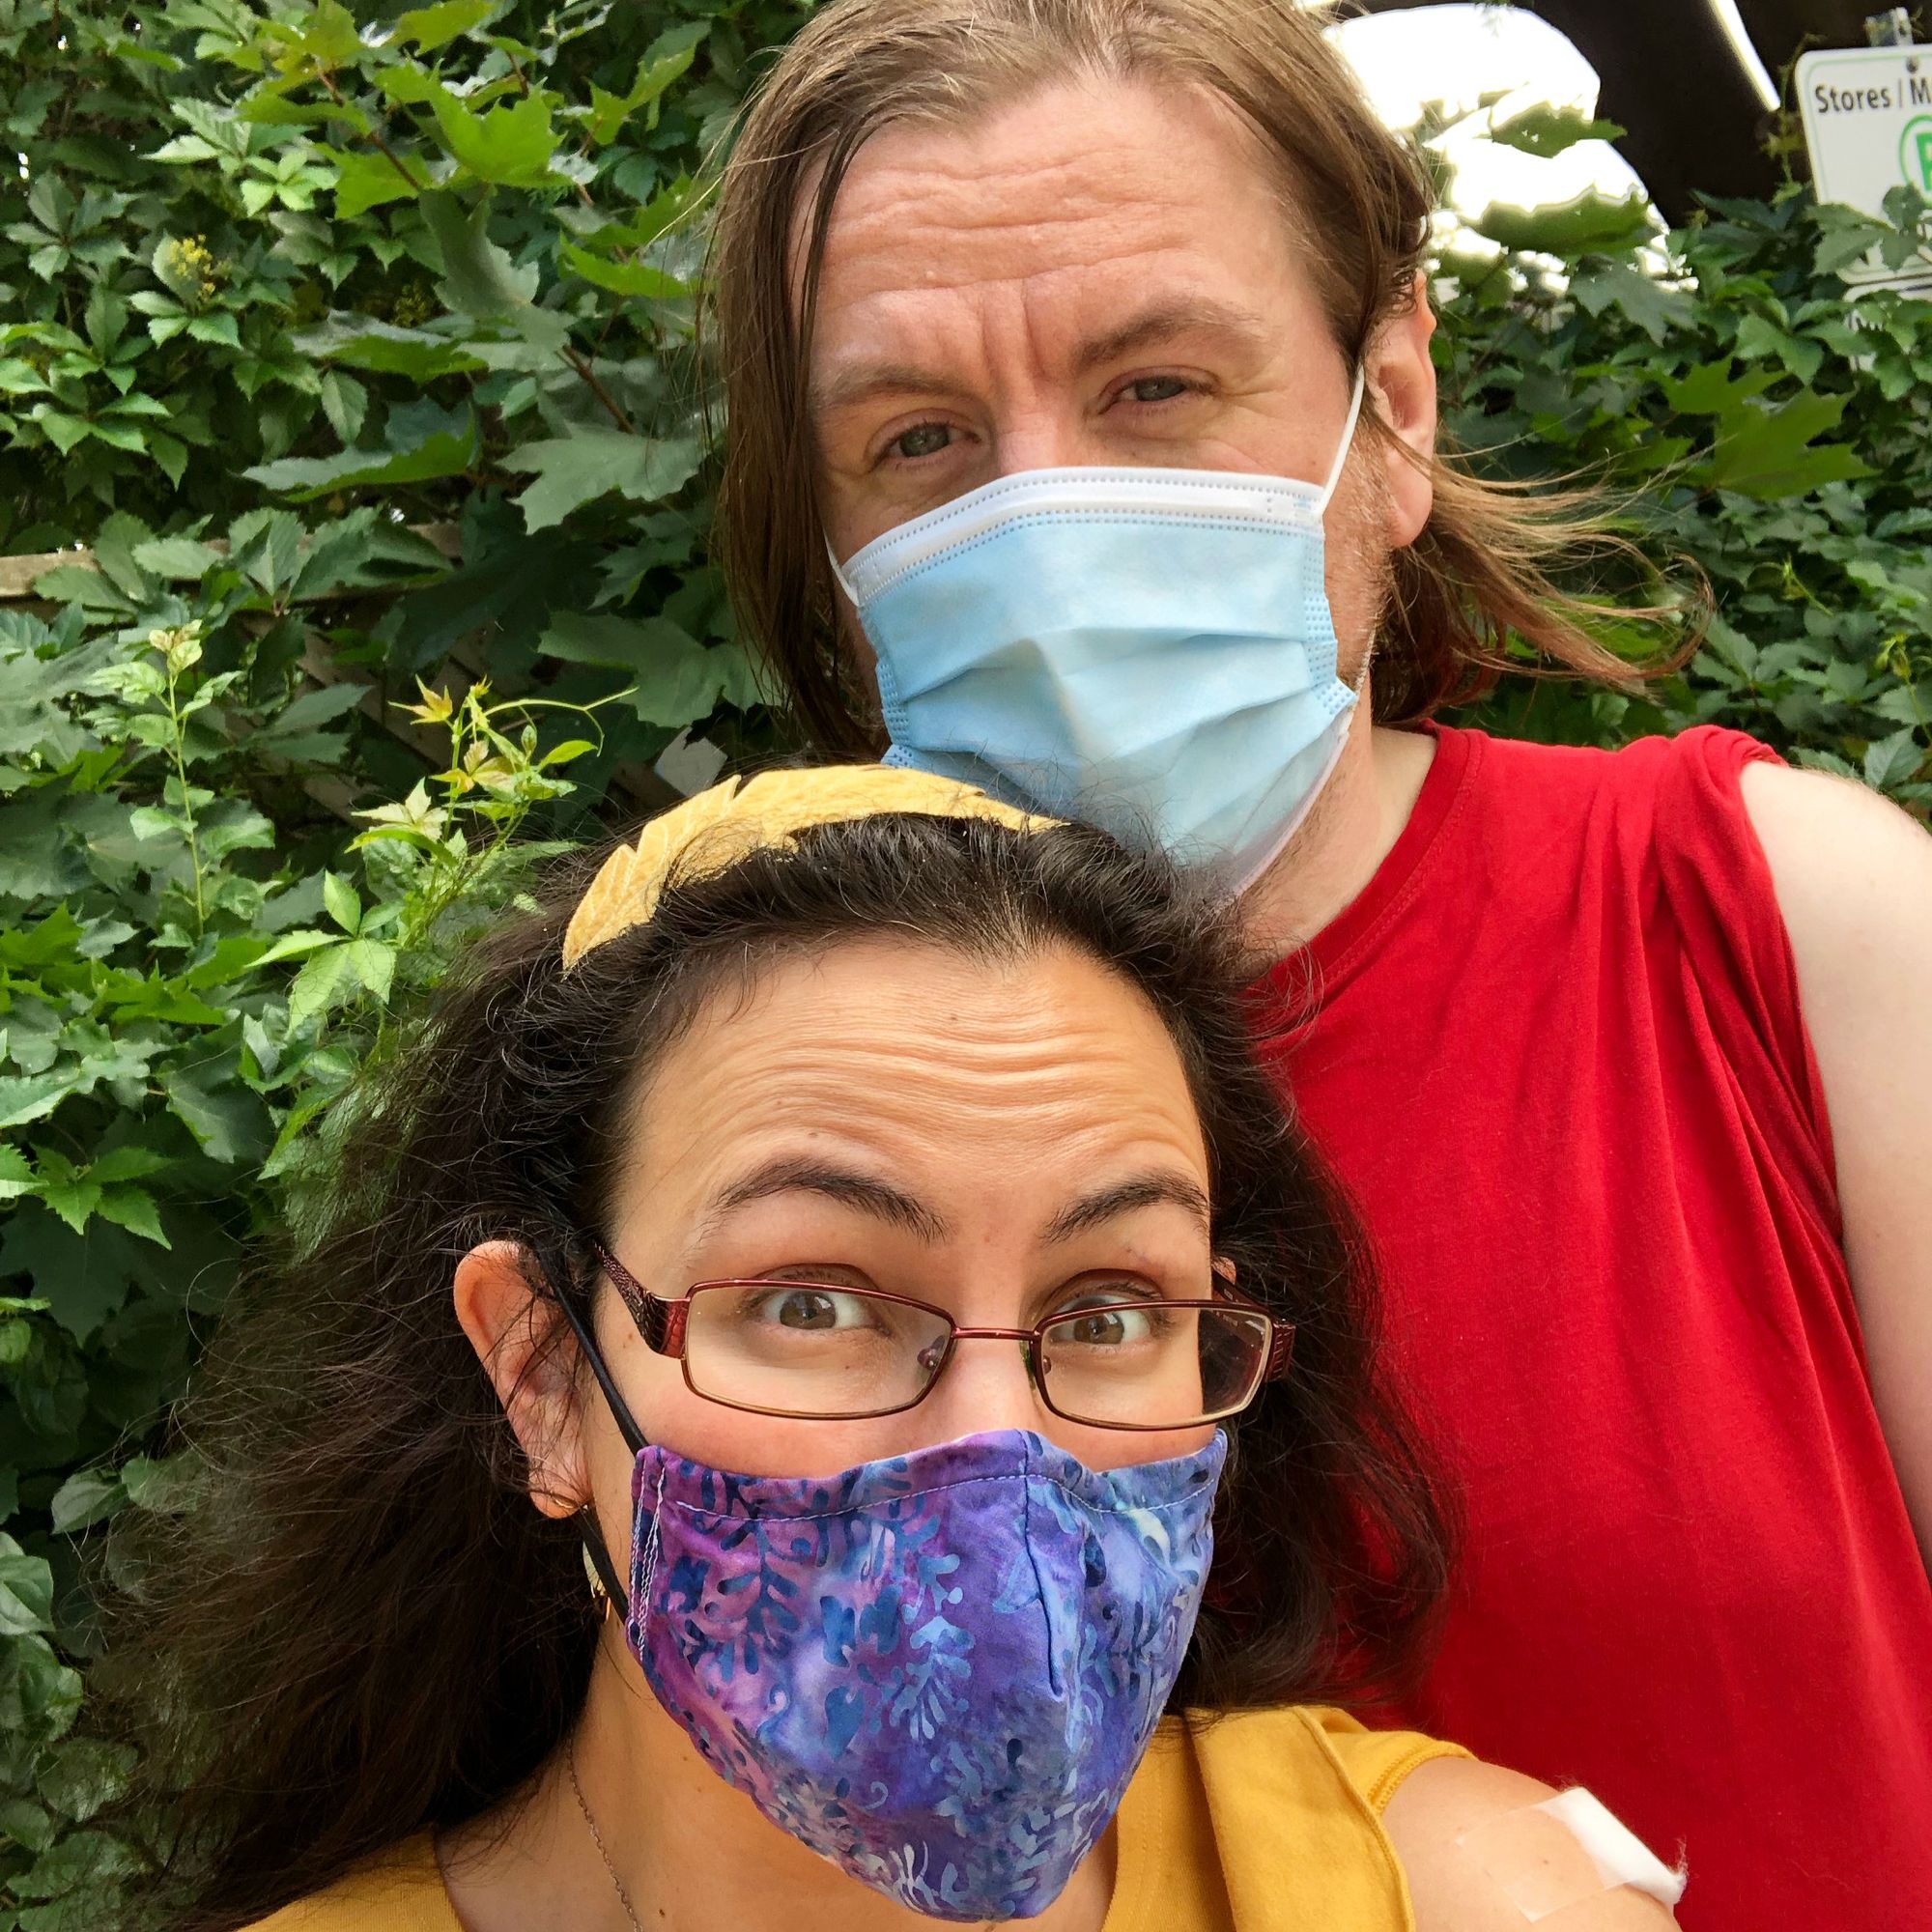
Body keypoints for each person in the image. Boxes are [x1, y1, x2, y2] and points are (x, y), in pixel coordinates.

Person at [701, 3, 1932, 1927]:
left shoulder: (1793, 932)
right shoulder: (732, 1113)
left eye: (1157, 385)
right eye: (919, 437)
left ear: (1397, 412)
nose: (1042, 511)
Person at [120, 768, 1682, 1932]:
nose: (997, 1449)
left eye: (1110, 1314)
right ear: (540, 1376)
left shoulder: (1465, 1894)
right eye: (812, 1302)